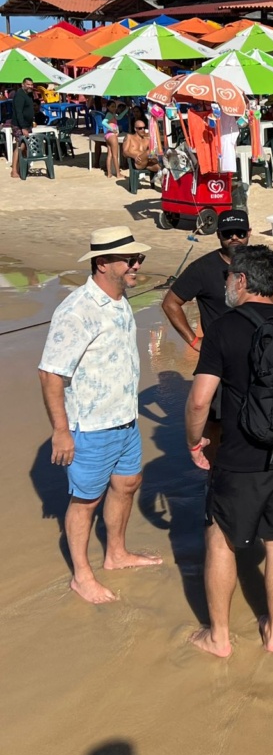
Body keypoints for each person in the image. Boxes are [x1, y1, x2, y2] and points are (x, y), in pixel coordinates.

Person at [184, 244, 273, 657]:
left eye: (229, 278)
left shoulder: (224, 329)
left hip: (241, 455)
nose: (226, 285)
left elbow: (199, 400)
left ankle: (219, 638)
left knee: (221, 541)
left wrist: (194, 440)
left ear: (242, 281)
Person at [38, 226, 162, 604]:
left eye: (138, 258)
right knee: (85, 501)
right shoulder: (76, 311)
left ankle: (116, 553)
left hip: (124, 420)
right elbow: (50, 373)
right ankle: (81, 575)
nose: (137, 264)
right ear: (103, 262)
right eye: (130, 259)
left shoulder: (121, 299)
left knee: (128, 484)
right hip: (89, 426)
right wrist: (61, 431)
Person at [162, 210, 273, 449]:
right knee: (215, 421)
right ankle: (214, 477)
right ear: (218, 235)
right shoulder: (202, 269)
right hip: (221, 359)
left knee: (263, 412)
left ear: (248, 233)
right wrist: (194, 341)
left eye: (239, 233)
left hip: (260, 355)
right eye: (228, 233)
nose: (234, 238)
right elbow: (170, 303)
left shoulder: (260, 264)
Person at [122, 117, 161, 185]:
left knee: (161, 168)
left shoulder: (147, 139)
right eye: (140, 128)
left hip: (147, 163)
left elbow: (152, 152)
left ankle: (165, 191)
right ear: (135, 129)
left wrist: (154, 155)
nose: (143, 130)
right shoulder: (129, 137)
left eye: (144, 128)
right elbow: (124, 152)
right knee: (149, 152)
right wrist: (134, 156)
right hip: (137, 162)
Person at [10, 76, 35, 179]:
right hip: (19, 125)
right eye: (28, 84)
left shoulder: (29, 95)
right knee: (20, 146)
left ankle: (23, 168)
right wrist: (23, 127)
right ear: (23, 84)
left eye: (31, 84)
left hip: (27, 124)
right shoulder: (19, 95)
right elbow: (18, 112)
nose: (30, 86)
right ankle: (14, 170)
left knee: (26, 147)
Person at [100, 99, 129, 179]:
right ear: (108, 107)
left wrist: (126, 109)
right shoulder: (109, 114)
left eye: (115, 107)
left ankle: (109, 173)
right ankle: (118, 173)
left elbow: (119, 117)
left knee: (109, 155)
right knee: (115, 156)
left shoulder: (112, 114)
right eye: (112, 106)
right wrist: (112, 129)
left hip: (108, 136)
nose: (114, 108)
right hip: (112, 135)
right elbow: (103, 122)